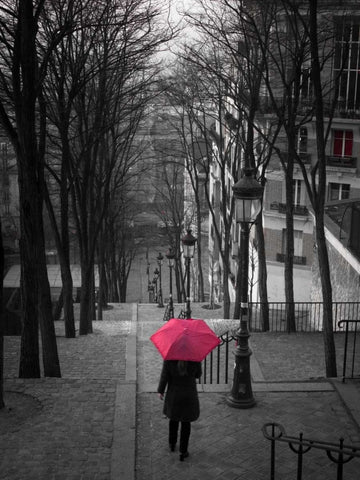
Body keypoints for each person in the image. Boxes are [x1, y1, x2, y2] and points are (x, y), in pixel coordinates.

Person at [157, 359, 202, 461]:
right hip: (189, 395)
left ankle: (172, 443)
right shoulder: (194, 358)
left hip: (174, 394)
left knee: (173, 419)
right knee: (186, 423)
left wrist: (160, 390)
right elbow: (198, 375)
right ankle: (183, 451)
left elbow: (165, 375)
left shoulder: (170, 358)